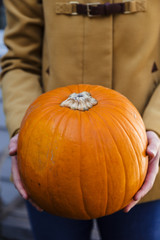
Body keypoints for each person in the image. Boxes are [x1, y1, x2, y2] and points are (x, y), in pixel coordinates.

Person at [0, 0, 160, 239]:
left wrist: (156, 127)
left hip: (144, 159)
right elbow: (21, 60)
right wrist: (25, 131)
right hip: (49, 163)